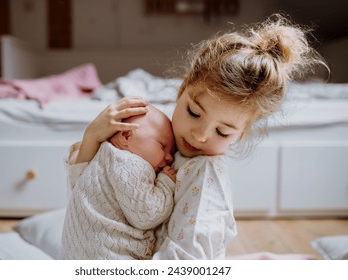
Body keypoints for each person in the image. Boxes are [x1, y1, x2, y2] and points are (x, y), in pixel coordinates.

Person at [64, 14, 327, 259]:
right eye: (193, 112)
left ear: (241, 133)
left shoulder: (204, 175)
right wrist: (92, 138)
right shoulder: (156, 138)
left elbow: (190, 259)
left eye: (222, 131)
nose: (200, 135)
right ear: (181, 91)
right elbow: (87, 199)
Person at [61, 104, 177, 260]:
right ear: (127, 136)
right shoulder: (131, 163)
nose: (169, 158)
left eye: (171, 152)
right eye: (162, 145)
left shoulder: (101, 157)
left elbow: (76, 178)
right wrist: (165, 184)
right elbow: (147, 215)